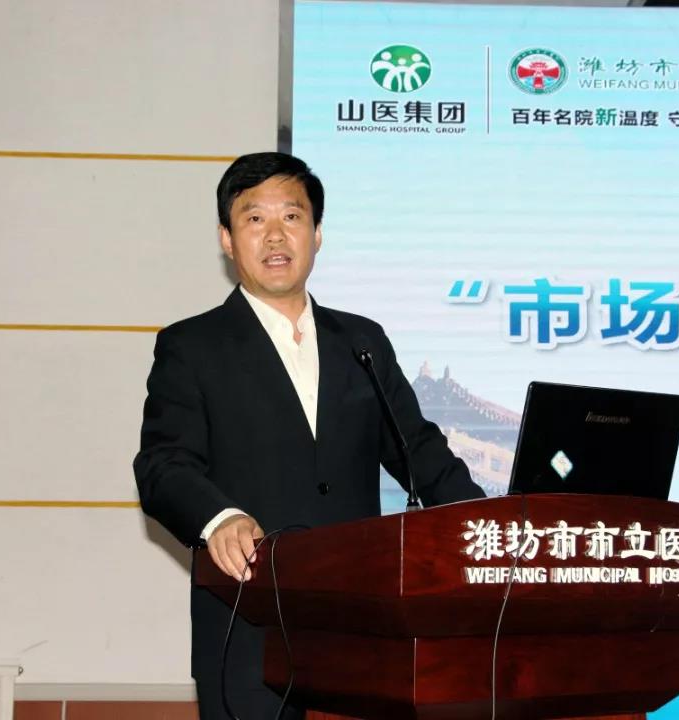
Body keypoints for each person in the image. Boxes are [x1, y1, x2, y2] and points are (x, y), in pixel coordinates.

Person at [133, 152, 486, 720]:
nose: (275, 235)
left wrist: (489, 526)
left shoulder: (362, 342)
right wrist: (219, 518)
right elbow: (163, 466)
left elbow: (419, 452)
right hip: (247, 625)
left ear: (317, 234)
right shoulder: (192, 346)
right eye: (254, 219)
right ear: (226, 240)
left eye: (292, 217)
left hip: (357, 624)